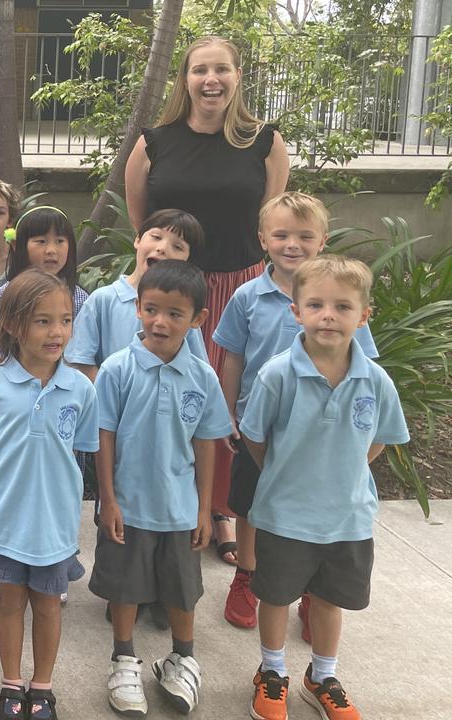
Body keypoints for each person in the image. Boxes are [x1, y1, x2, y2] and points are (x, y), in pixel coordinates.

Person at [125, 36, 291, 560]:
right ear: (185, 79)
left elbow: (273, 218)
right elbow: (142, 221)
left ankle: (219, 513)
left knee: (225, 402)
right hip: (175, 291)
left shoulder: (265, 143)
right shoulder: (155, 142)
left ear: (238, 76)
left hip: (239, 288)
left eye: (221, 69)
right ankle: (166, 502)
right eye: (200, 70)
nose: (211, 79)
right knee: (168, 399)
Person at [242, 255, 407, 720]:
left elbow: (378, 441)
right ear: (296, 312)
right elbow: (256, 438)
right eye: (315, 304)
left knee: (330, 600)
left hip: (347, 517)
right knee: (274, 595)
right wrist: (284, 473)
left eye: (342, 306)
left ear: (363, 316)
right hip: (284, 513)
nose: (328, 315)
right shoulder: (278, 374)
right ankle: (272, 672)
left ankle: (323, 675)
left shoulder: (376, 381)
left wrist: (346, 468)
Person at [212, 192, 378, 633]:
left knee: (311, 510)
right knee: (249, 504)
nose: (292, 244)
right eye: (281, 234)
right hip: (259, 428)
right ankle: (247, 576)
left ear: (322, 240)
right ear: (262, 237)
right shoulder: (248, 296)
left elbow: (365, 366)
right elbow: (233, 357)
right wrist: (229, 412)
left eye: (304, 236)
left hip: (321, 436)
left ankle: (311, 587)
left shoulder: (339, 298)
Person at [89, 260, 232, 716]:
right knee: (126, 589)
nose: (160, 321)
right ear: (137, 308)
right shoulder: (117, 369)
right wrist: (107, 499)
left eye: (174, 313)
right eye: (151, 309)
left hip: (180, 508)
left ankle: (183, 659)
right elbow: (103, 436)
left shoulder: (203, 376)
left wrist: (204, 508)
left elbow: (207, 443)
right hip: (128, 507)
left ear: (197, 320)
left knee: (182, 589)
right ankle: (124, 659)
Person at [0, 269, 98, 720]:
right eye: (43, 321)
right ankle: (11, 683)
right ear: (12, 324)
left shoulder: (81, 389)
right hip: (7, 518)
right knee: (10, 602)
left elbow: (82, 450)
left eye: (65, 320)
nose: (57, 332)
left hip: (56, 522)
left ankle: (42, 686)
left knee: (48, 604)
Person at [66, 209, 208, 382]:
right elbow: (79, 360)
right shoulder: (103, 300)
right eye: (156, 237)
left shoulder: (184, 310)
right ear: (138, 240)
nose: (162, 248)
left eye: (177, 247)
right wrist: (113, 393)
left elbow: (199, 372)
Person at [0, 206, 88, 321]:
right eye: (41, 241)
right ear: (17, 245)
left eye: (60, 241)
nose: (51, 250)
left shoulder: (80, 299)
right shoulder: (6, 294)